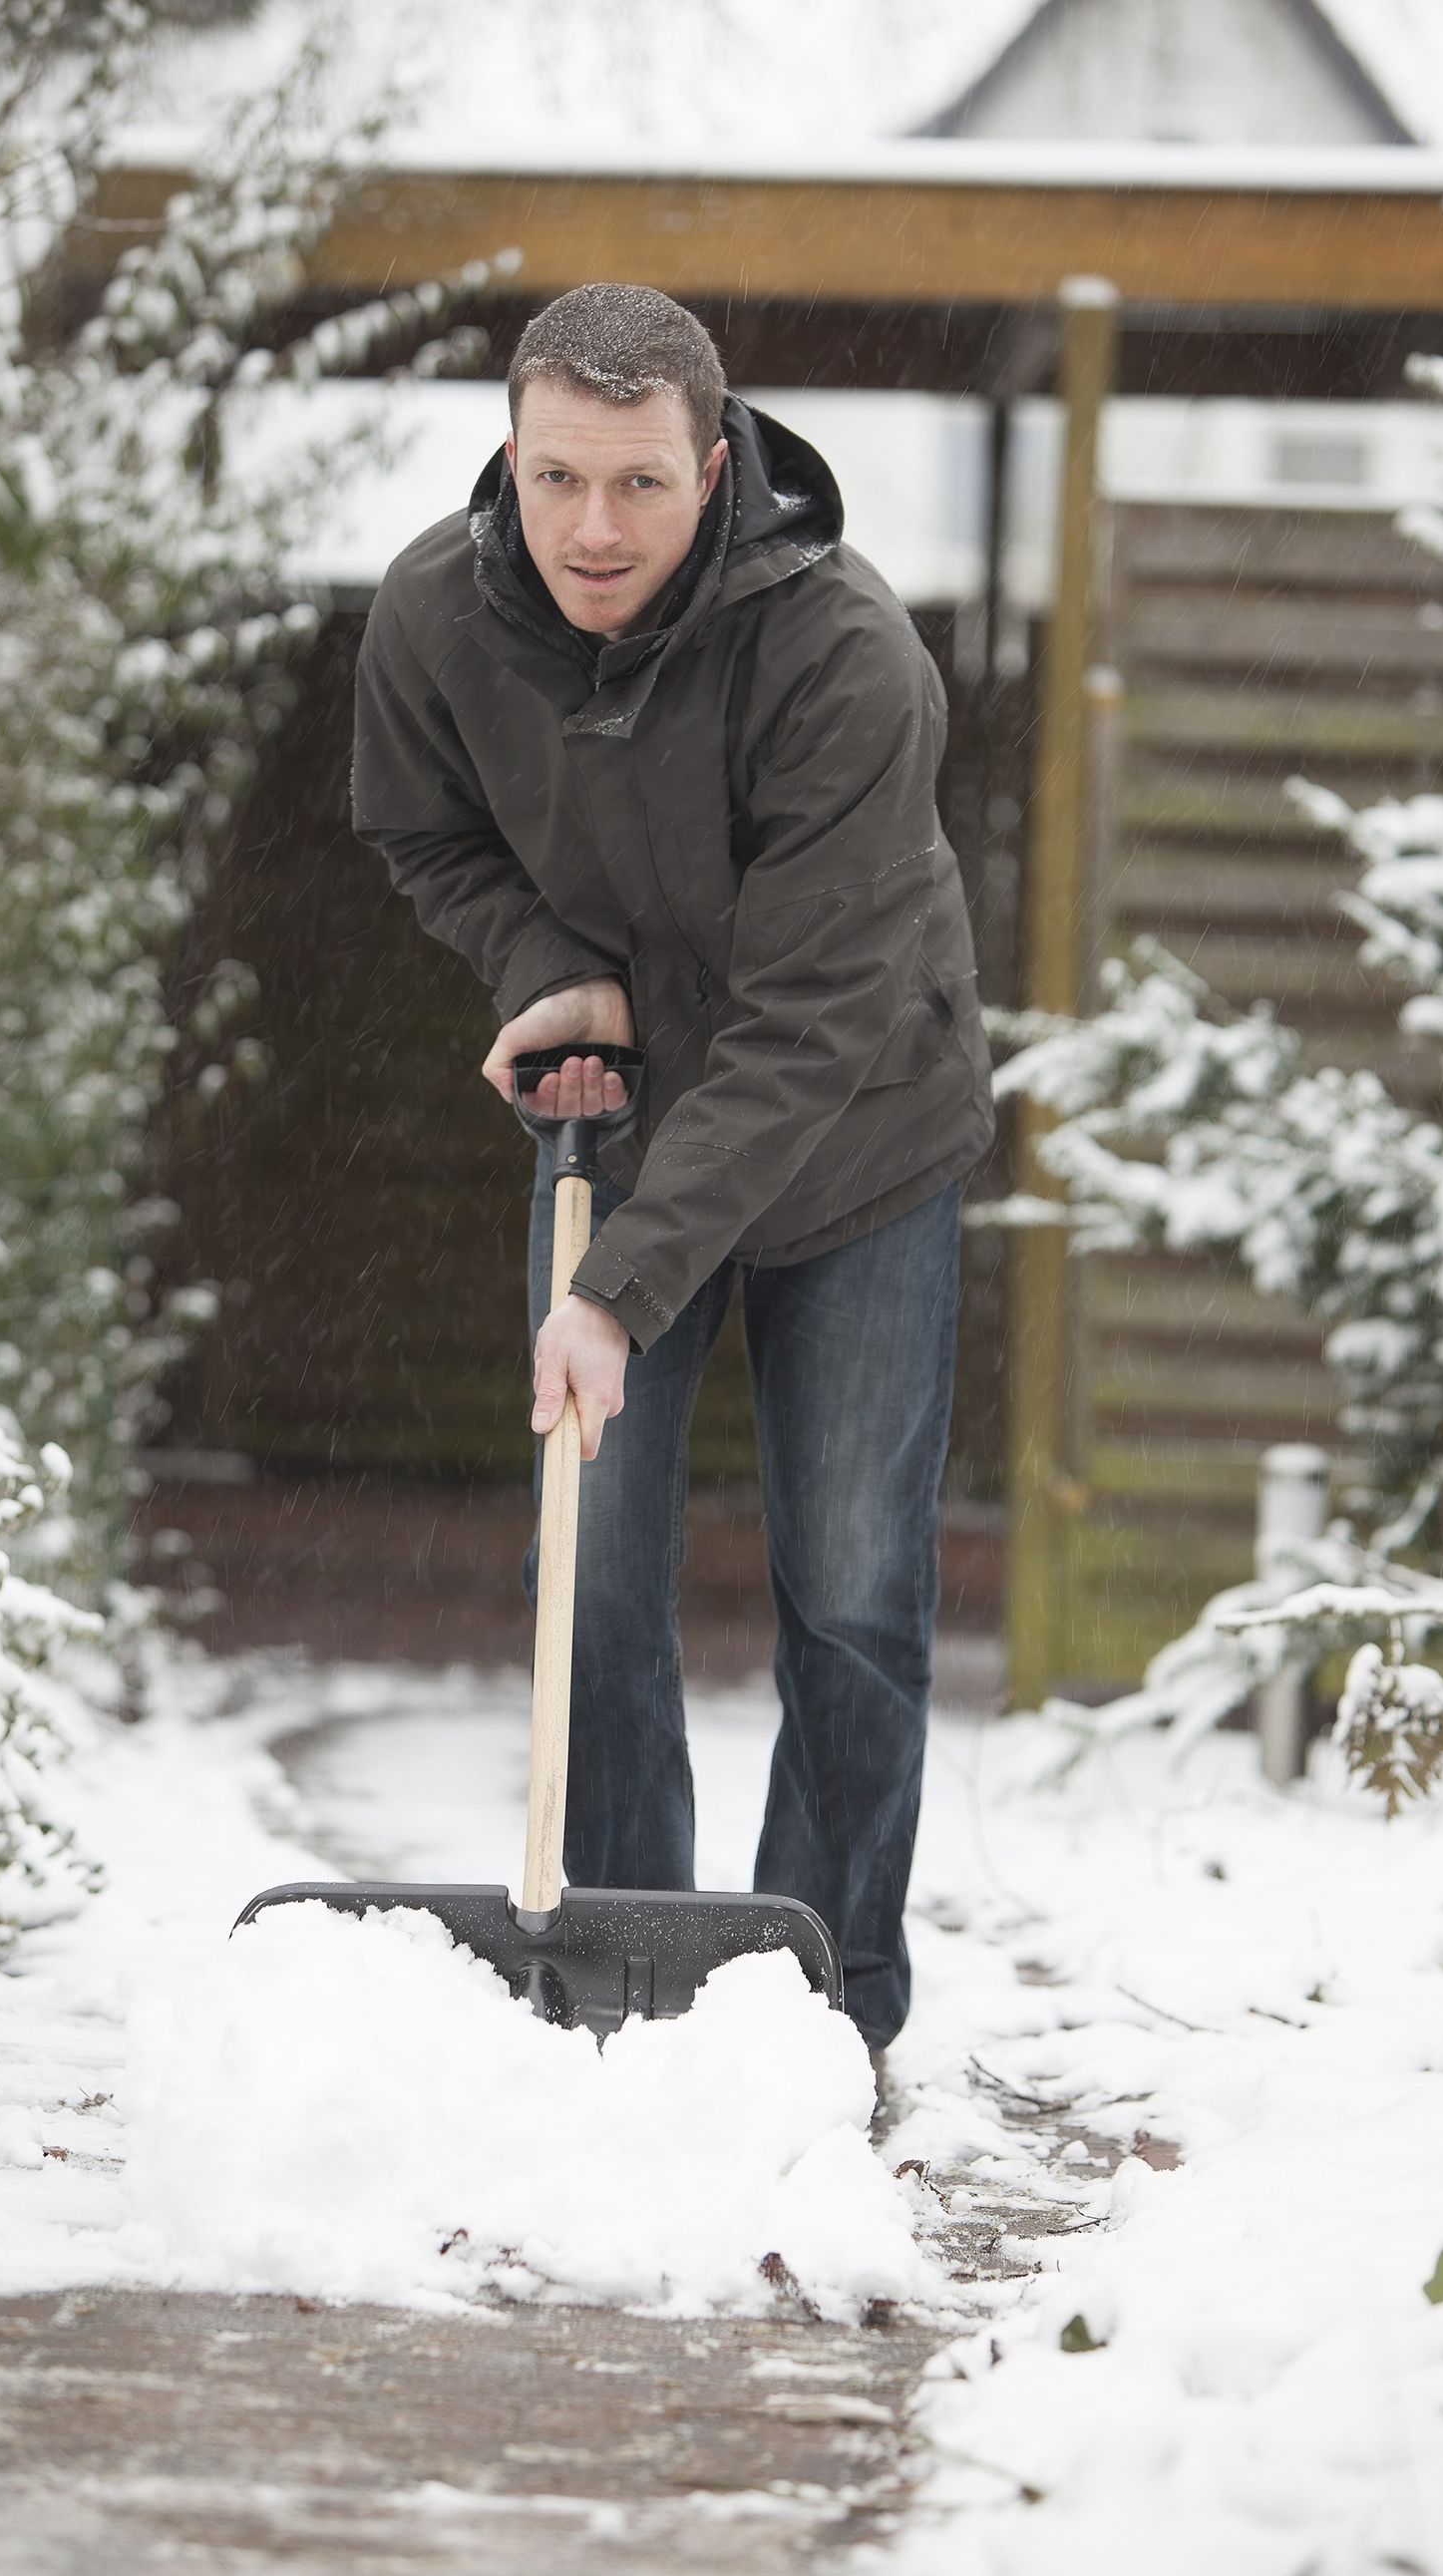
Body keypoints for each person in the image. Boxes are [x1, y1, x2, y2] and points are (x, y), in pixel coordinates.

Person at [352, 282, 993, 2050]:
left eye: (637, 483)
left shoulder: (841, 654)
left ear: (714, 470)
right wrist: (543, 964)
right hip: (618, 1133)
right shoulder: (434, 616)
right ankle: (627, 1987)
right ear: (510, 453)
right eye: (556, 476)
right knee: (598, 1580)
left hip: (856, 1141)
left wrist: (616, 1294)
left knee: (853, 1599)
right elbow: (423, 829)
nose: (591, 528)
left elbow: (805, 1029)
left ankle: (822, 2004)